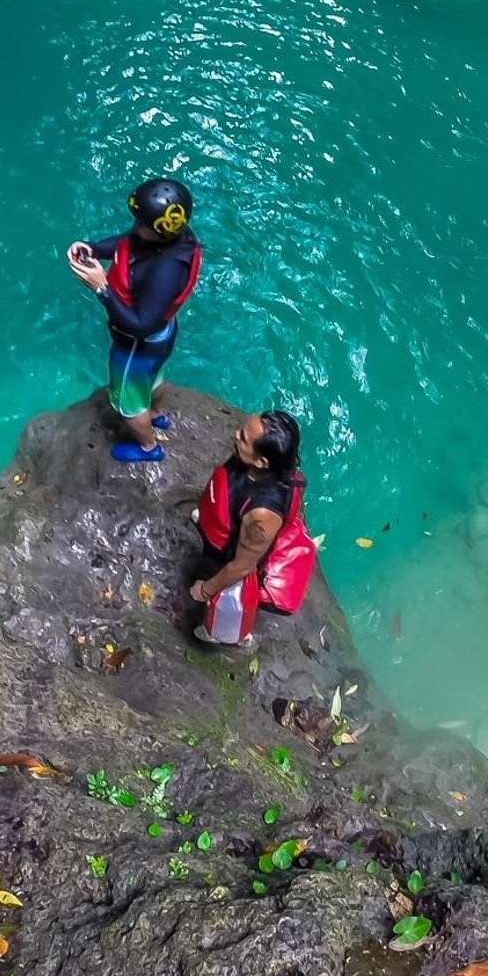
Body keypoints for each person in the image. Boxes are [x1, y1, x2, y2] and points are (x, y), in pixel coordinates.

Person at [66, 178, 203, 463]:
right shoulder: (172, 236)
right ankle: (156, 413)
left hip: (138, 344)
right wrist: (92, 249)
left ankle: (148, 446)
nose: (136, 227)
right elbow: (128, 243)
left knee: (127, 403)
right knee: (153, 376)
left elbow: (141, 325)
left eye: (142, 223)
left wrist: (101, 287)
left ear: (159, 231)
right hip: (162, 335)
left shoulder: (166, 271)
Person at [191, 410, 317, 646]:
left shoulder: (261, 516)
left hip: (240, 559)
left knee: (226, 614)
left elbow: (241, 566)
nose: (235, 434)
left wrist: (206, 590)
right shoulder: (254, 466)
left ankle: (228, 638)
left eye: (244, 438)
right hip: (233, 523)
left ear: (261, 462)